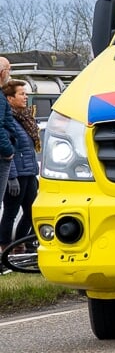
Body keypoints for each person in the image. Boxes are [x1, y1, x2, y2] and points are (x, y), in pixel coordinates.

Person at [3, 80, 35, 249]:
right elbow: (9, 150)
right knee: (10, 213)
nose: (26, 97)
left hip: (29, 173)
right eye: (22, 94)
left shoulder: (24, 119)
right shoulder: (9, 121)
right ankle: (5, 248)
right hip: (17, 175)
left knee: (33, 213)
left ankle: (21, 243)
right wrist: (12, 177)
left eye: (26, 94)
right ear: (10, 98)